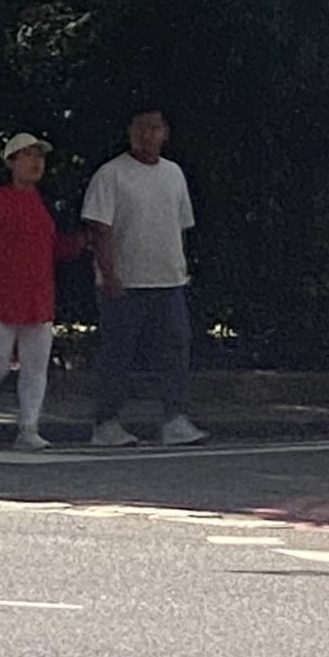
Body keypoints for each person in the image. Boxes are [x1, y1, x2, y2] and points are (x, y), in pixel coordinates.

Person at [0, 133, 88, 451]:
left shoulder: (42, 204)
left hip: (37, 295)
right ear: (11, 162)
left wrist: (78, 244)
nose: (35, 162)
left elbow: (48, 248)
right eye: (27, 155)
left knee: (35, 366)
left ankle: (28, 427)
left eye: (39, 156)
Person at [82, 108, 204, 448]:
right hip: (125, 282)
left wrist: (180, 268)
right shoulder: (112, 175)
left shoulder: (174, 174)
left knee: (176, 350)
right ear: (130, 133)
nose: (148, 135)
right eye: (141, 129)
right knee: (118, 353)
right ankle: (106, 421)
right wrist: (109, 274)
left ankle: (174, 418)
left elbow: (179, 226)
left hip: (168, 281)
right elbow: (99, 229)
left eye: (155, 128)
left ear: (165, 133)